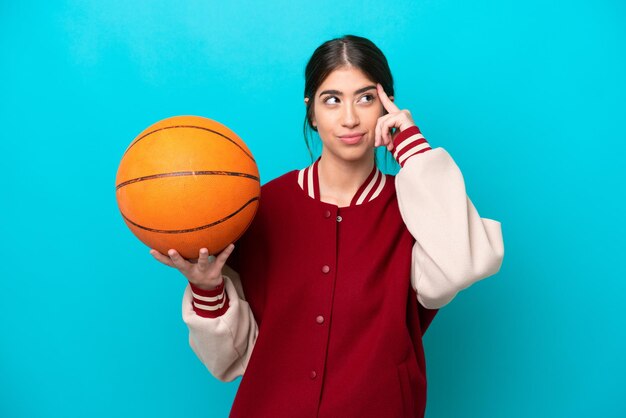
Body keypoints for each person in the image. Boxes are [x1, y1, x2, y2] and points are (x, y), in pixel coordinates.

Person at [150, 34, 504, 418]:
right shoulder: (260, 208)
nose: (350, 118)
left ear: (387, 107)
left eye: (366, 98)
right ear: (312, 112)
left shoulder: (415, 211)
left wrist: (410, 146)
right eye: (332, 100)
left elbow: (465, 263)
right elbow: (230, 359)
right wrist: (207, 289)